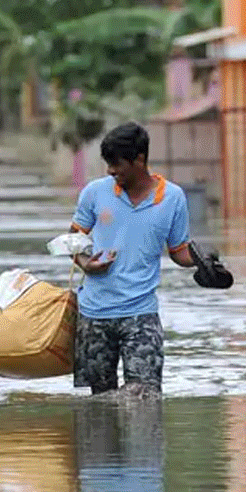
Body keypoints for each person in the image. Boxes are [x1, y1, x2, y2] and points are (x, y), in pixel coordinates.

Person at [67, 122, 196, 397]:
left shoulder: (172, 198)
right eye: (108, 164)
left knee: (145, 398)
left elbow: (179, 251)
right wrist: (85, 263)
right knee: (100, 404)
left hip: (142, 314)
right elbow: (72, 239)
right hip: (94, 315)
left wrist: (201, 261)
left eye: (117, 164)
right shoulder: (94, 193)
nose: (111, 171)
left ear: (139, 160)